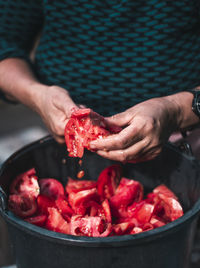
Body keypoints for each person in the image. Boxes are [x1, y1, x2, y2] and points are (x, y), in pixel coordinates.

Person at [0, 0, 199, 162]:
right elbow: (5, 42)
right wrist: (36, 94)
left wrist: (177, 110)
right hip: (62, 137)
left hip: (183, 138)